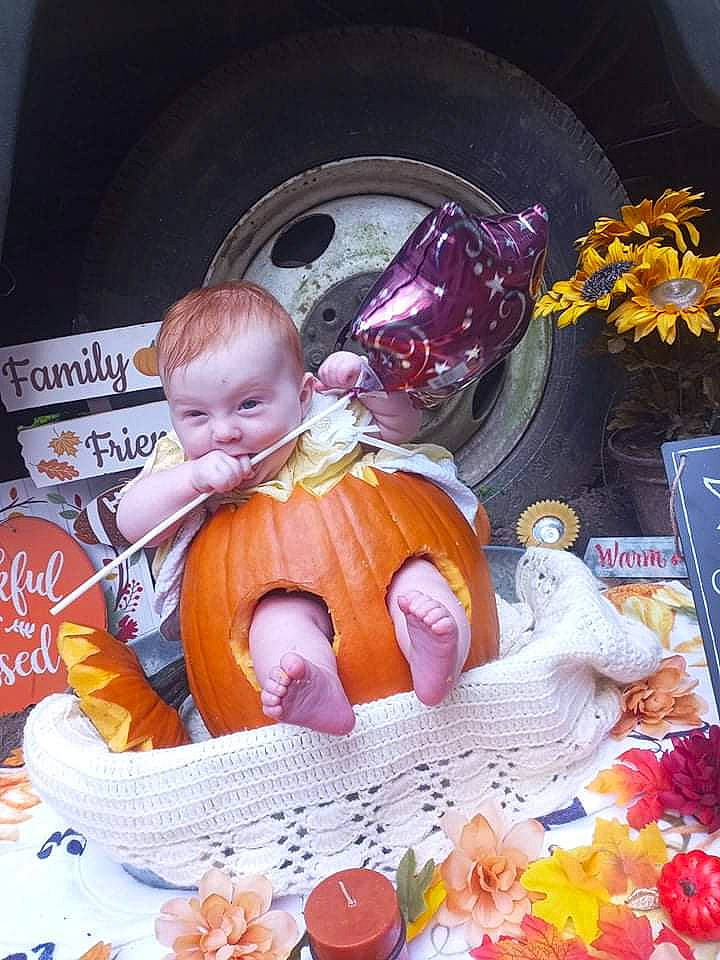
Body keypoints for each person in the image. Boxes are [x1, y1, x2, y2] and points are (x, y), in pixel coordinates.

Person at [117, 281, 479, 736]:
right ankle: (313, 684)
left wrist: (370, 387)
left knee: (418, 581)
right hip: (267, 584)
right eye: (196, 416)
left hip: (378, 552)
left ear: (304, 394)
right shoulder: (183, 465)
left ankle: (439, 648)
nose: (224, 431)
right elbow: (131, 522)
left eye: (248, 405)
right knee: (275, 622)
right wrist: (191, 481)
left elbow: (400, 427)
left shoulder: (326, 419)